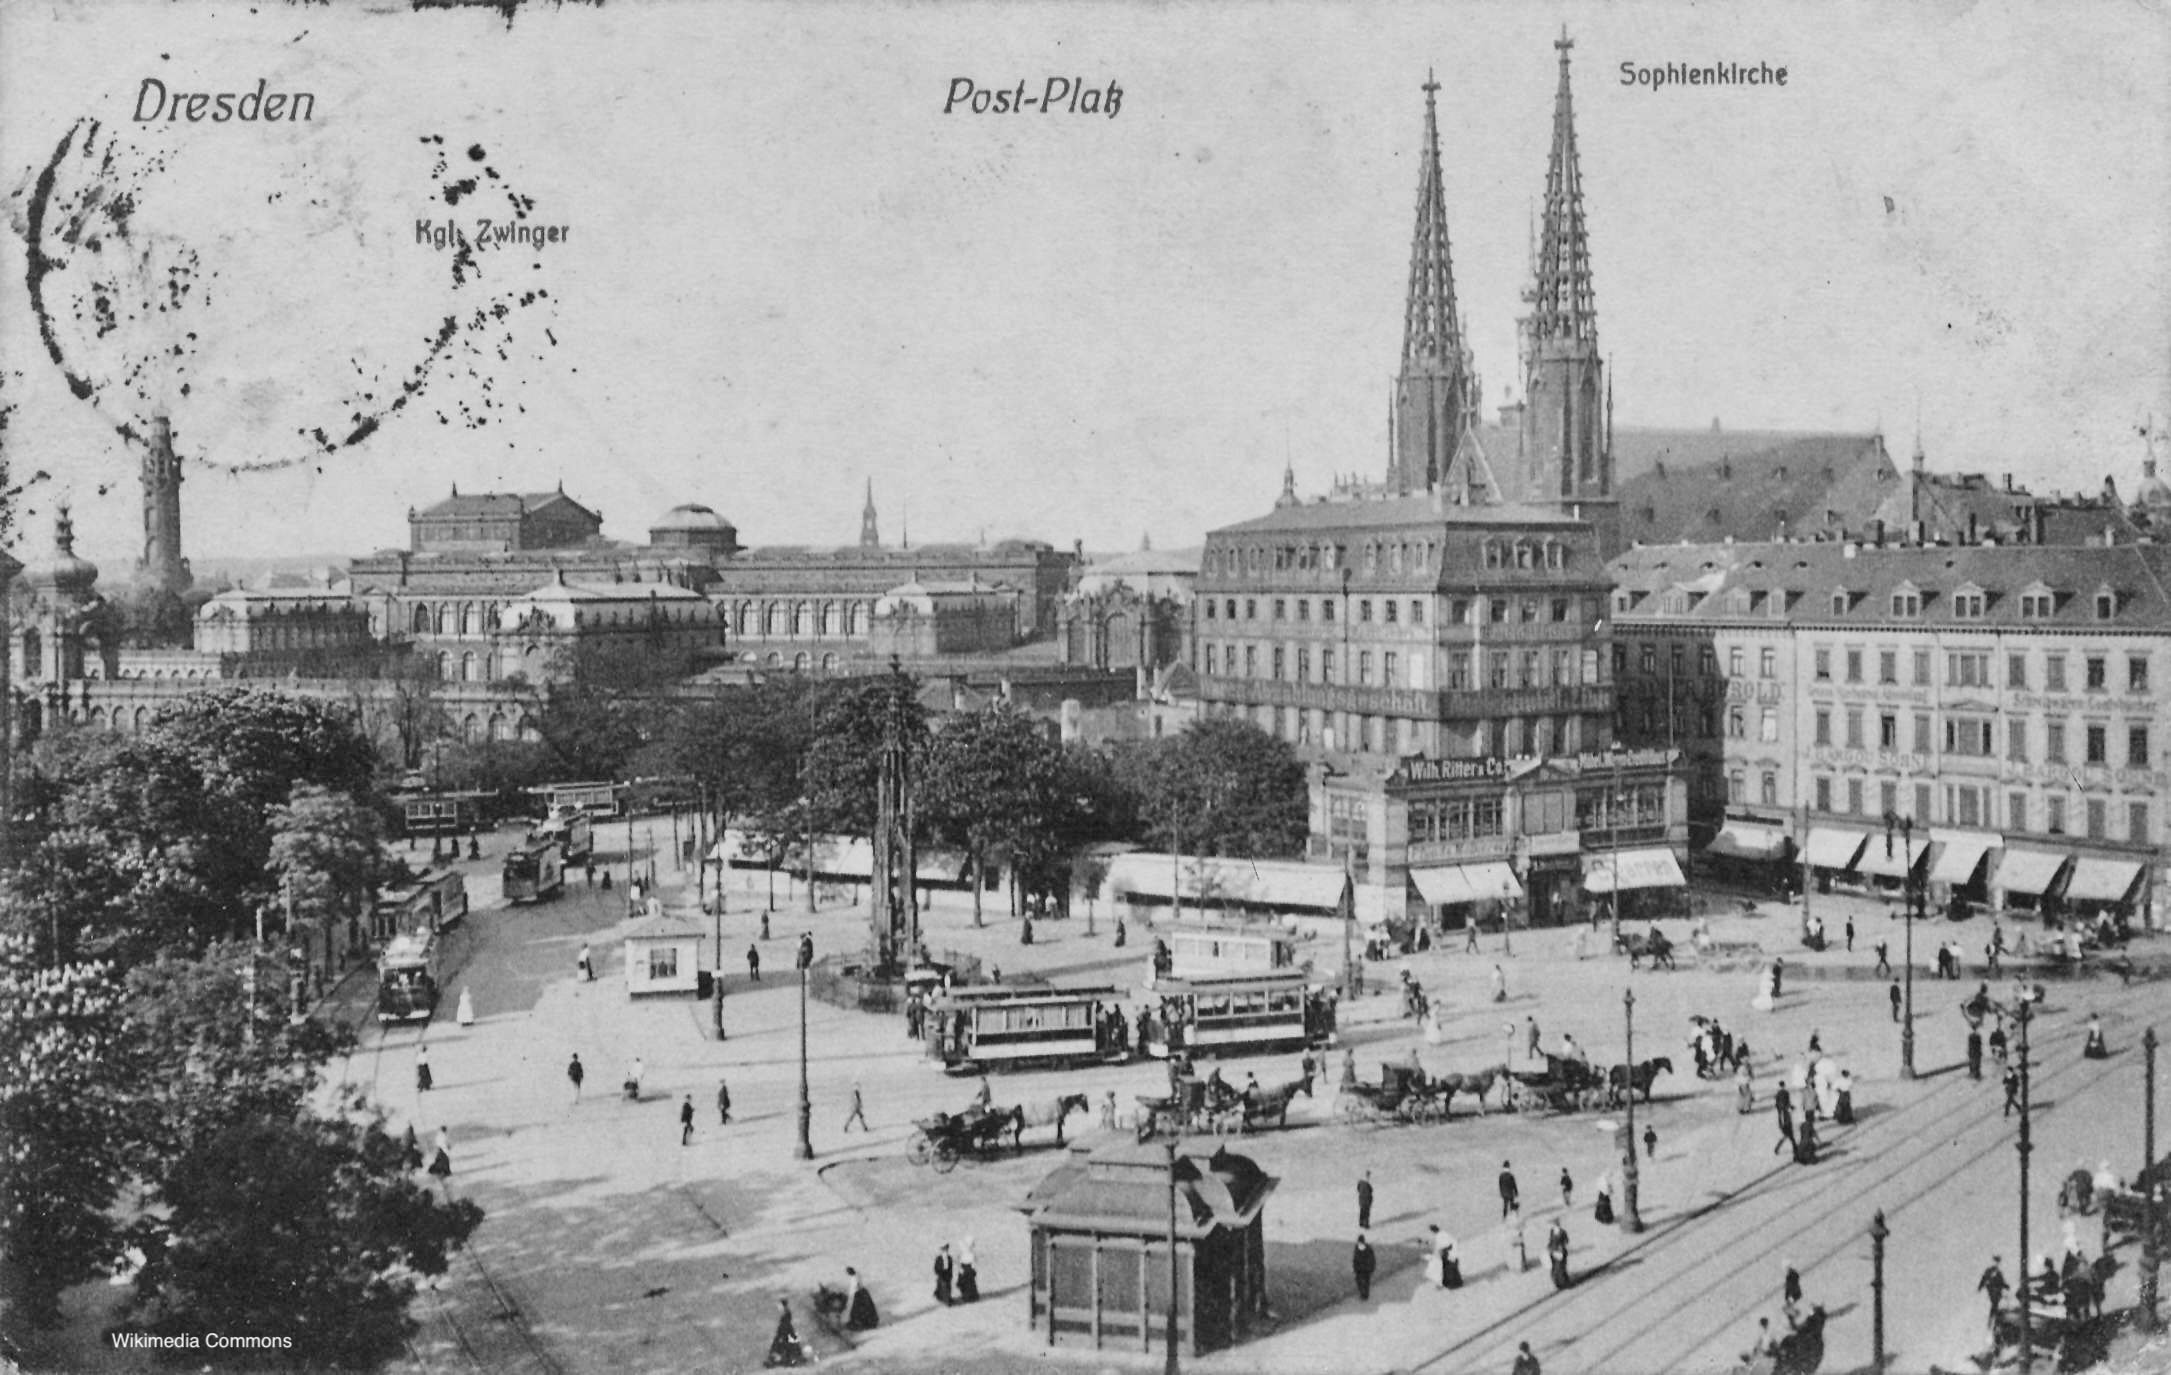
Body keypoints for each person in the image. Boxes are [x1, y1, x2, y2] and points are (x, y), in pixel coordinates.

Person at [765, 1298, 806, 1368]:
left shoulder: (786, 1314)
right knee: (787, 1346)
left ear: (783, 1305)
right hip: (786, 1332)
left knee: (784, 1346)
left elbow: (785, 1325)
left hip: (785, 1332)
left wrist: (781, 1335)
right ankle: (788, 1359)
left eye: (779, 1305)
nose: (778, 1307)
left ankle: (786, 1360)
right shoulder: (786, 1314)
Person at [1547, 1220, 1571, 1289]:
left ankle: (1564, 1283)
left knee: (1561, 1268)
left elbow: (1566, 1241)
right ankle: (1558, 1283)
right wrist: (1548, 1247)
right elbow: (1550, 1241)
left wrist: (1561, 1246)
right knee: (1555, 1268)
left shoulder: (1563, 1232)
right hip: (1553, 1252)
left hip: (1561, 1253)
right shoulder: (1552, 1231)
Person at [1773, 1083, 1796, 1155]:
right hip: (1786, 1121)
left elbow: (1777, 1105)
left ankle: (1794, 1148)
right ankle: (1794, 1148)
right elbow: (1787, 1103)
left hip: (1784, 1120)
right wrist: (1790, 1107)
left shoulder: (1778, 1094)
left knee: (1789, 1135)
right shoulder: (1786, 1093)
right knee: (1789, 1135)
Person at [1352, 1233, 1377, 1300]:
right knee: (1362, 1281)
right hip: (1362, 1269)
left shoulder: (1363, 1248)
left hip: (1364, 1269)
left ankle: (1364, 1294)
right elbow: (1355, 1259)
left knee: (1363, 1281)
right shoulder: (1361, 1247)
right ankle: (1364, 1294)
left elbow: (1371, 1259)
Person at [956, 1237, 979, 1303]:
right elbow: (958, 1262)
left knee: (970, 1284)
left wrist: (973, 1267)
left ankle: (971, 1296)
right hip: (963, 1269)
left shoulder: (972, 1254)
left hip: (969, 1270)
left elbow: (974, 1262)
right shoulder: (961, 1254)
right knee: (964, 1284)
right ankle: (965, 1296)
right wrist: (960, 1268)